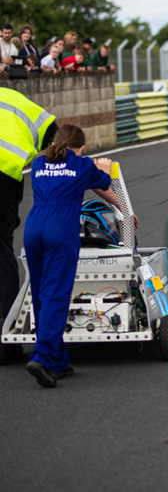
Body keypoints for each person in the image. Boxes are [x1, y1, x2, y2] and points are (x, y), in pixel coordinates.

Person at [23, 124, 118, 387]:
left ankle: (57, 361)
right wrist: (104, 170)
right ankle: (42, 357)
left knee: (41, 293)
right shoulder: (82, 165)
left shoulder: (40, 162)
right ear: (81, 146)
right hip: (60, 230)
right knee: (56, 294)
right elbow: (104, 183)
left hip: (33, 228)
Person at [0, 90, 57, 364]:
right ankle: (4, 326)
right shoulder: (15, 99)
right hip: (4, 181)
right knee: (1, 250)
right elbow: (54, 132)